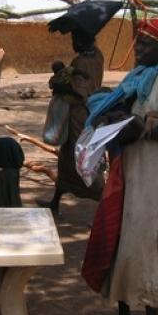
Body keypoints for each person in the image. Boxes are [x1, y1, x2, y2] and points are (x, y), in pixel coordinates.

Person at [82, 18, 158, 315]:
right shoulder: (137, 76)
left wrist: (144, 131)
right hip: (126, 169)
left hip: (150, 178)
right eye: (139, 43)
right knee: (120, 241)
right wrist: (113, 117)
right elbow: (122, 108)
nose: (139, 49)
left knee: (143, 244)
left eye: (146, 44)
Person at [37, 28, 105, 213]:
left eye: (75, 38)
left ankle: (105, 204)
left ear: (83, 40)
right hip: (88, 111)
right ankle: (55, 202)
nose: (73, 43)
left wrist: (59, 81)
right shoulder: (98, 55)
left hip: (79, 114)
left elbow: (77, 89)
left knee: (83, 157)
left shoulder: (81, 61)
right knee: (67, 159)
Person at [0, 137, 24, 208]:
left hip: (4, 213)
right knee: (13, 197)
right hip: (13, 173)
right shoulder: (13, 173)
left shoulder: (3, 175)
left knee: (4, 200)